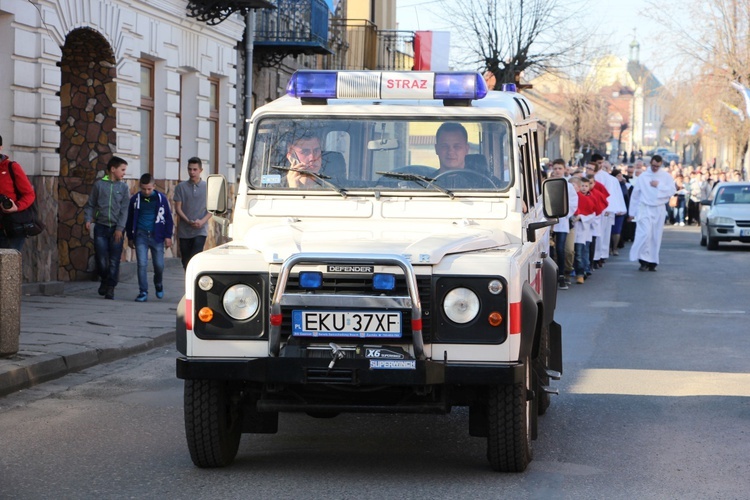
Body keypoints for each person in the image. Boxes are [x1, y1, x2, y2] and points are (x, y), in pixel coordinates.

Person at [84, 156, 129, 299]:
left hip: (116, 228)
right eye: (122, 170)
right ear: (112, 169)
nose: (124, 173)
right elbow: (91, 204)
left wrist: (120, 228)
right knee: (101, 259)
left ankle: (111, 287)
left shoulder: (123, 187)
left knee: (115, 260)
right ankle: (104, 279)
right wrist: (88, 219)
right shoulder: (99, 185)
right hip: (101, 228)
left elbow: (124, 210)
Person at [125, 174, 174, 302]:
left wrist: (168, 236)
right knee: (142, 263)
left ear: (154, 186)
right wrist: (130, 237)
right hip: (141, 234)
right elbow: (129, 218)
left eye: (149, 189)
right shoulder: (135, 199)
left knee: (159, 265)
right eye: (144, 189)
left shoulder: (161, 199)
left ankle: (158, 283)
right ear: (140, 187)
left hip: (156, 235)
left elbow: (168, 218)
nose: (146, 192)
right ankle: (143, 291)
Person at [628, 155, 676, 271]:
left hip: (659, 208)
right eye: (653, 165)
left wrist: (658, 185)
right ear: (650, 163)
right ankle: (643, 260)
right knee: (645, 233)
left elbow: (672, 190)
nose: (655, 168)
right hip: (645, 208)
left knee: (655, 235)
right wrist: (632, 212)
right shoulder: (643, 177)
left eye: (657, 166)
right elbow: (635, 195)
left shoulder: (665, 176)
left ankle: (652, 260)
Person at [174, 157, 211, 270]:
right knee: (185, 260)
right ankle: (188, 281)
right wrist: (188, 220)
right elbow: (178, 208)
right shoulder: (181, 187)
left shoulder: (208, 187)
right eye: (190, 169)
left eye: (195, 169)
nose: (192, 172)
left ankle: (195, 282)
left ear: (201, 170)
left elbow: (212, 210)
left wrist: (202, 221)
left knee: (195, 257)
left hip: (200, 229)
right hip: (185, 230)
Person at [0, 135, 36, 252]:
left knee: (9, 267)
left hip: (11, 227)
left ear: (1, 147)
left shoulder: (11, 167)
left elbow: (29, 194)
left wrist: (17, 207)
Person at [548, 159, 578, 289]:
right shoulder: (547, 183)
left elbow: (573, 204)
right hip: (548, 222)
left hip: (562, 222)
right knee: (549, 249)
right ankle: (550, 276)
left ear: (565, 169)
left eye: (559, 168)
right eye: (555, 169)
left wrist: (562, 214)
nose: (557, 171)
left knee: (560, 249)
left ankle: (562, 276)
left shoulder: (569, 186)